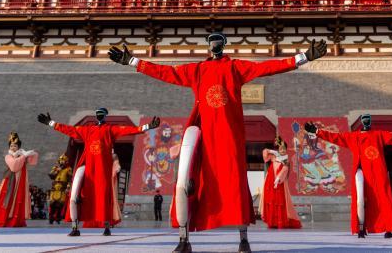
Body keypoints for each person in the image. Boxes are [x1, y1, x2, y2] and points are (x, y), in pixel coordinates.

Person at [109, 33, 327, 253]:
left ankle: (243, 239)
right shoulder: (198, 70)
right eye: (211, 40)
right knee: (186, 182)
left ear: (224, 44)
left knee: (236, 183)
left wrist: (303, 57)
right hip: (203, 134)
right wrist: (132, 61)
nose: (215, 42)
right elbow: (167, 72)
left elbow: (268, 67)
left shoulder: (235, 67)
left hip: (229, 137)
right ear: (208, 45)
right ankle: (184, 238)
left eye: (218, 39)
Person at [304, 115, 392, 238]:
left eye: (368, 119)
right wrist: (317, 131)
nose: (367, 121)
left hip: (378, 172)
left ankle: (388, 228)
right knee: (360, 200)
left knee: (384, 198)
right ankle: (361, 228)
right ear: (362, 122)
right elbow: (335, 137)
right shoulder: (353, 136)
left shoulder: (378, 135)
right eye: (365, 119)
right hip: (361, 171)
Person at [38, 108, 159, 236]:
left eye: (101, 114)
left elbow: (129, 130)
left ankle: (106, 226)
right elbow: (69, 129)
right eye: (97, 113)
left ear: (105, 116)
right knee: (74, 196)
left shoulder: (110, 129)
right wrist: (51, 123)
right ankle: (75, 227)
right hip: (87, 167)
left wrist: (147, 126)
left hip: (102, 171)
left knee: (104, 197)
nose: (99, 115)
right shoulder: (88, 129)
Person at [0, 132, 38, 227]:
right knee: (6, 199)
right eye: (11, 146)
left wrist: (30, 153)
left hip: (20, 182)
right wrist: (24, 156)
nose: (13, 147)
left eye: (15, 146)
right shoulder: (8, 156)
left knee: (18, 200)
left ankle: (15, 220)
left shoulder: (21, 155)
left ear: (19, 147)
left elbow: (33, 161)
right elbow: (14, 167)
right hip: (10, 182)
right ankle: (2, 219)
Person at [259, 136, 301, 229]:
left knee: (280, 201)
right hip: (270, 181)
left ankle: (280, 221)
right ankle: (273, 222)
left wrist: (278, 178)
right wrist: (272, 151)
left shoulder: (286, 159)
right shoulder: (274, 156)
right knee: (272, 201)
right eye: (280, 149)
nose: (282, 150)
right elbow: (265, 154)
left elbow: (285, 169)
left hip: (280, 183)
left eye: (284, 149)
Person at [49, 154, 72, 225]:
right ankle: (51, 218)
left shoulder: (68, 169)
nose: (62, 162)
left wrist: (68, 187)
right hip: (54, 188)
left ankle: (58, 218)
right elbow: (51, 176)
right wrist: (56, 171)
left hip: (62, 188)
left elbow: (69, 179)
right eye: (61, 160)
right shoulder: (55, 168)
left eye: (63, 160)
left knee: (60, 205)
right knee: (52, 204)